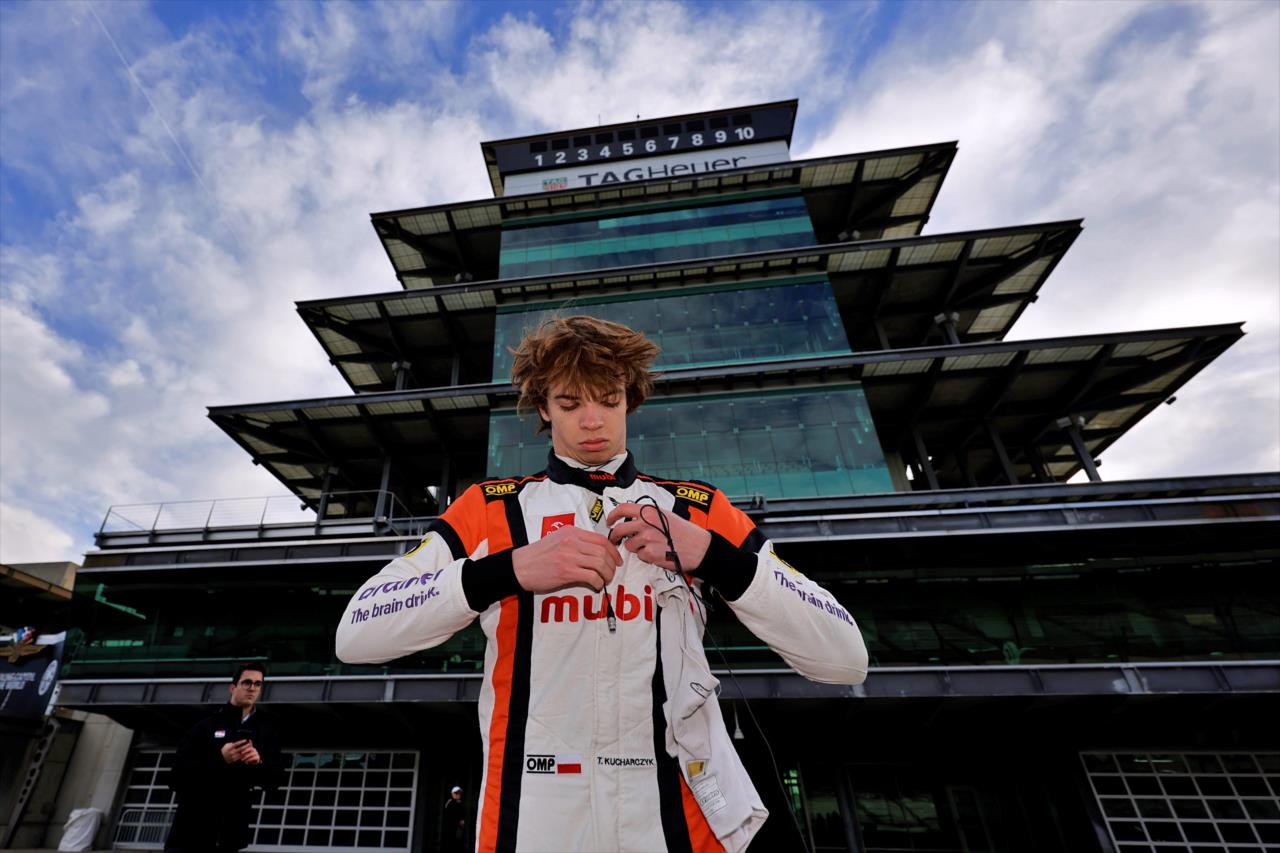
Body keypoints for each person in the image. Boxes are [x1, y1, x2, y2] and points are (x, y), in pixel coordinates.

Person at [336, 316, 869, 852]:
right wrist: (509, 570)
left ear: (630, 399)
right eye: (570, 404)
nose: (592, 421)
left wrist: (713, 556)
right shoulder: (490, 507)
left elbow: (846, 658)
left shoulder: (698, 509)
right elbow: (356, 633)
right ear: (544, 408)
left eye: (609, 401)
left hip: (678, 821)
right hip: (529, 819)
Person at [165, 663, 285, 853]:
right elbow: (176, 778)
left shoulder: (266, 731)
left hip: (230, 833)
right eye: (246, 683)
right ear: (233, 687)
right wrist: (219, 759)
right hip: (191, 831)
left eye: (258, 684)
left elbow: (276, 780)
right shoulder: (205, 726)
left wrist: (258, 762)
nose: (252, 688)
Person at [442, 785, 467, 852]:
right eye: (456, 793)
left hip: (457, 830)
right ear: (452, 794)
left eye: (459, 793)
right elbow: (450, 816)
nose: (458, 795)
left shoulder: (459, 803)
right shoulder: (450, 803)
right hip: (450, 830)